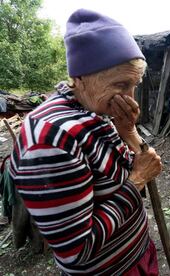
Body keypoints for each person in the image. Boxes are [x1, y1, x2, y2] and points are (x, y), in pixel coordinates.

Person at [10, 9, 162, 275]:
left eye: (134, 84)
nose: (130, 97)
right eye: (121, 84)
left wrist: (129, 132)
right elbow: (76, 250)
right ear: (79, 79)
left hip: (136, 253)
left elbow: (129, 167)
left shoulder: (96, 109)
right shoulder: (50, 141)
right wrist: (137, 180)